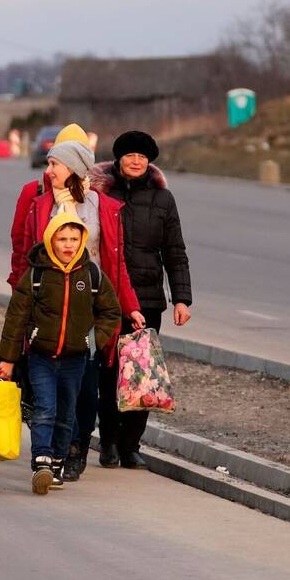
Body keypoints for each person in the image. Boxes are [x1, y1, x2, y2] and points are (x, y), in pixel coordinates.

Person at [11, 125, 144, 481]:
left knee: (86, 389)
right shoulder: (39, 204)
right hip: (48, 309)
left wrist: (130, 306)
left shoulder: (106, 208)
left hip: (90, 309)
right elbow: (23, 256)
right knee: (47, 389)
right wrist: (21, 301)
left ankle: (76, 447)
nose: (48, 170)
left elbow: (116, 264)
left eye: (55, 163)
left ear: (73, 167)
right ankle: (51, 452)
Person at [0, 212, 121, 495]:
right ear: (51, 240)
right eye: (62, 239)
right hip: (41, 356)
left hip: (75, 360)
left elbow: (111, 312)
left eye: (74, 239)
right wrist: (7, 359)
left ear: (83, 241)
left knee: (66, 414)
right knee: (44, 409)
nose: (68, 245)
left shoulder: (91, 275)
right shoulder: (36, 275)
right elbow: (16, 318)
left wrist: (90, 342)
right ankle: (41, 461)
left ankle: (57, 462)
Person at [90, 130, 192, 469]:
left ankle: (131, 444)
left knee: (142, 374)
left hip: (148, 299)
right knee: (109, 373)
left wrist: (181, 299)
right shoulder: (101, 193)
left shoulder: (163, 199)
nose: (136, 160)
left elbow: (175, 252)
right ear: (119, 158)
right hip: (108, 297)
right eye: (130, 154)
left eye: (143, 156)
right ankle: (108, 443)